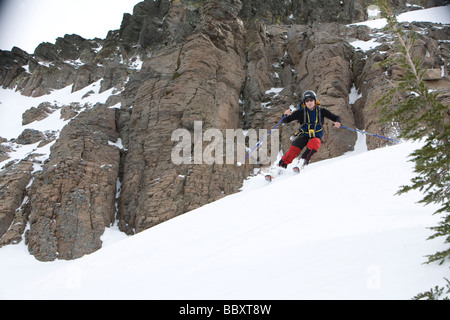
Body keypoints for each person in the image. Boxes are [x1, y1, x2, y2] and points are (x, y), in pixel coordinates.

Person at [278, 90, 342, 168]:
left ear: (315, 100)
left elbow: (336, 117)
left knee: (314, 143)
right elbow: (286, 120)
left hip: (316, 135)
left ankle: (303, 161)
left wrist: (337, 122)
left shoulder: (321, 111)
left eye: (311, 100)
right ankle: (280, 166)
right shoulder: (301, 112)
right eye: (307, 101)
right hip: (304, 134)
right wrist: (285, 115)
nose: (309, 102)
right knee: (293, 150)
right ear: (305, 102)